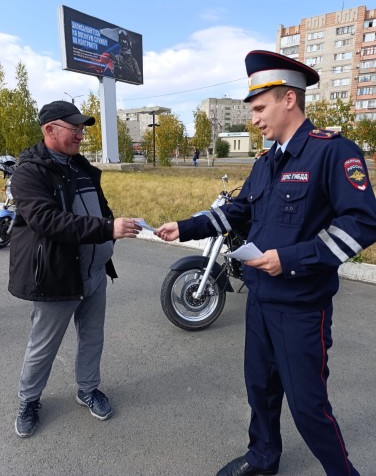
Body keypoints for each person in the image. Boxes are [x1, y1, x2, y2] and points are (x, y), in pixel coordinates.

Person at [156, 50, 376, 475]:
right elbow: (238, 211)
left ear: (288, 100)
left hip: (300, 309)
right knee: (260, 391)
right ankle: (262, 458)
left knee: (309, 408)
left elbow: (363, 223)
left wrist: (291, 260)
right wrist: (184, 227)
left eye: (259, 108)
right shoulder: (266, 161)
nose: (254, 119)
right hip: (259, 301)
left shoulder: (332, 153)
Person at [9, 100, 143, 438]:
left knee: (92, 337)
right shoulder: (29, 172)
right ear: (50, 129)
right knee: (43, 346)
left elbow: (99, 208)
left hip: (94, 273)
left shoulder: (80, 166)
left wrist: (113, 226)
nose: (81, 134)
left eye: (82, 128)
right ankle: (29, 400)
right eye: (74, 128)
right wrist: (106, 230)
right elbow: (48, 221)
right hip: (56, 276)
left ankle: (87, 390)